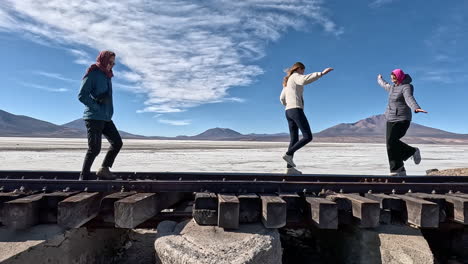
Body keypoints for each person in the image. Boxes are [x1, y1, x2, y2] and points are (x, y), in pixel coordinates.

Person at [280, 62, 333, 175]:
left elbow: (282, 99)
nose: (303, 72)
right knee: (308, 136)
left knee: (294, 140)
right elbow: (304, 80)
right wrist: (321, 73)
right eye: (303, 70)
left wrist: (288, 103)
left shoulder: (287, 82)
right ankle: (288, 154)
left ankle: (289, 169)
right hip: (296, 109)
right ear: (299, 68)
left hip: (288, 111)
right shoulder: (295, 77)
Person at [78, 50, 122, 180]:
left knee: (117, 143)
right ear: (103, 60)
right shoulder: (93, 74)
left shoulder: (108, 76)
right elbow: (82, 95)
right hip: (94, 117)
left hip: (106, 117)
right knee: (94, 149)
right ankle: (84, 177)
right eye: (109, 62)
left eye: (113, 63)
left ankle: (104, 169)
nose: (111, 65)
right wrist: (96, 106)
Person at [377, 69, 428, 176]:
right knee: (390, 145)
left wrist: (416, 108)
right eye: (392, 79)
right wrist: (379, 79)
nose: (393, 81)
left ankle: (412, 151)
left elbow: (409, 98)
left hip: (402, 118)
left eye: (394, 79)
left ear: (400, 77)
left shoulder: (407, 87)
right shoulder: (392, 87)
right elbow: (384, 85)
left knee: (392, 141)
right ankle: (398, 170)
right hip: (390, 118)